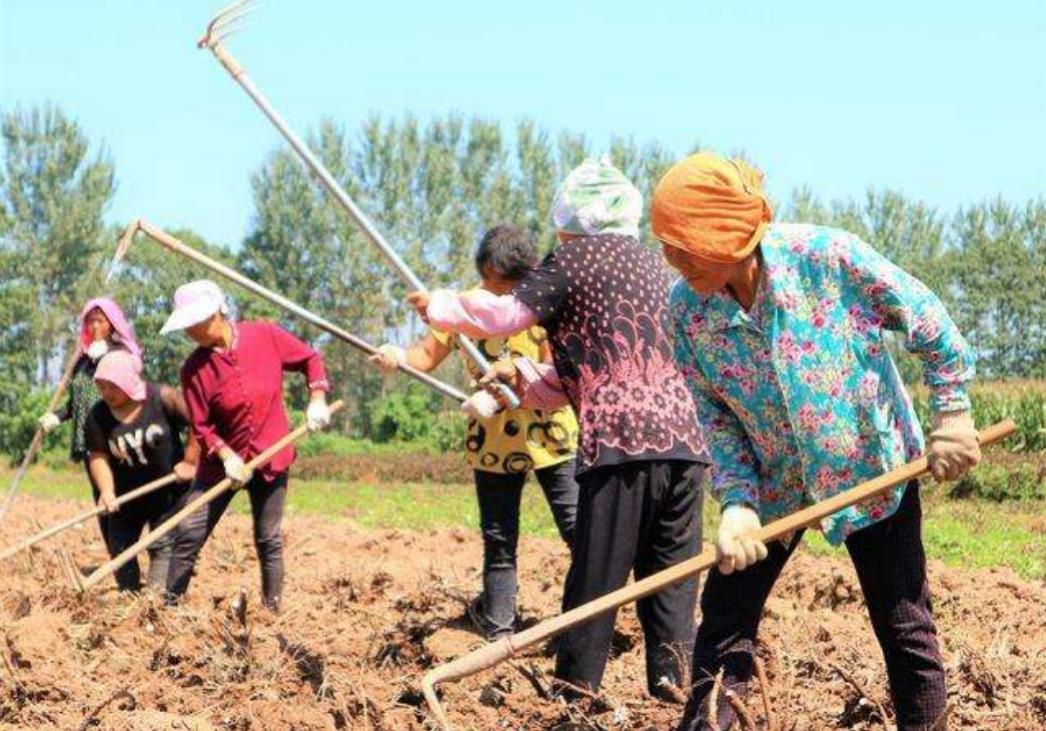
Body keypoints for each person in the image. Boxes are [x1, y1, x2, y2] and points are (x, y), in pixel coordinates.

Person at [653, 152, 980, 731]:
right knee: (725, 623)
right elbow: (715, 415)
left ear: (723, 236)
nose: (670, 259)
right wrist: (736, 504)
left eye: (681, 244)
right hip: (772, 487)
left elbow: (928, 320)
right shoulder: (686, 313)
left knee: (903, 623)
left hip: (870, 467)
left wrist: (952, 413)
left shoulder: (827, 259)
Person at [408, 158, 711, 701]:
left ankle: (576, 694)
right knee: (670, 581)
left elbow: (500, 318)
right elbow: (582, 371)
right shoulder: (652, 266)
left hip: (623, 443)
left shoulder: (570, 259)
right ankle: (675, 688)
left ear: (570, 217)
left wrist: (441, 306)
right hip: (687, 444)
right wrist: (517, 380)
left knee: (597, 577)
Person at [371, 224, 580, 640]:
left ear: (524, 275)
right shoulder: (463, 307)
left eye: (500, 284)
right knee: (499, 536)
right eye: (487, 279)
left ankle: (587, 623)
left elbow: (552, 369)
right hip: (493, 439)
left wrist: (509, 389)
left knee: (578, 529)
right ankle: (500, 627)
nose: (492, 291)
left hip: (549, 435)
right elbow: (427, 355)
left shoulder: (544, 302)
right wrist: (398, 357)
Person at [160, 279, 332, 611]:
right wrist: (226, 456)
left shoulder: (264, 335)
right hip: (220, 465)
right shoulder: (193, 370)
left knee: (268, 538)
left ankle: (272, 611)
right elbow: (202, 426)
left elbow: (311, 359)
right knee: (189, 531)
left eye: (192, 323)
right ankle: (168, 609)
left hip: (272, 455)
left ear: (216, 313)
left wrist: (318, 398)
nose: (188, 332)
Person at [84, 350, 200, 592]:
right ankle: (129, 597)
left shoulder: (163, 398)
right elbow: (98, 457)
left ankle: (156, 602)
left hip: (167, 493)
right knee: (121, 550)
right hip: (127, 497)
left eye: (112, 387)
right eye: (102, 387)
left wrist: (190, 461)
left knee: (162, 544)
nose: (106, 394)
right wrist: (106, 491)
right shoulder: (97, 416)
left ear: (127, 381)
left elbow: (198, 423)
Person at [39, 297, 143, 551]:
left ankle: (140, 552)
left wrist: (105, 357)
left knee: (126, 497)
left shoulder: (123, 354)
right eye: (90, 321)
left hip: (118, 436)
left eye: (100, 320)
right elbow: (77, 402)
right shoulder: (82, 360)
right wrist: (57, 417)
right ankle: (118, 559)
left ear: (111, 324)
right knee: (102, 499)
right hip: (90, 440)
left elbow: (131, 387)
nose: (95, 326)